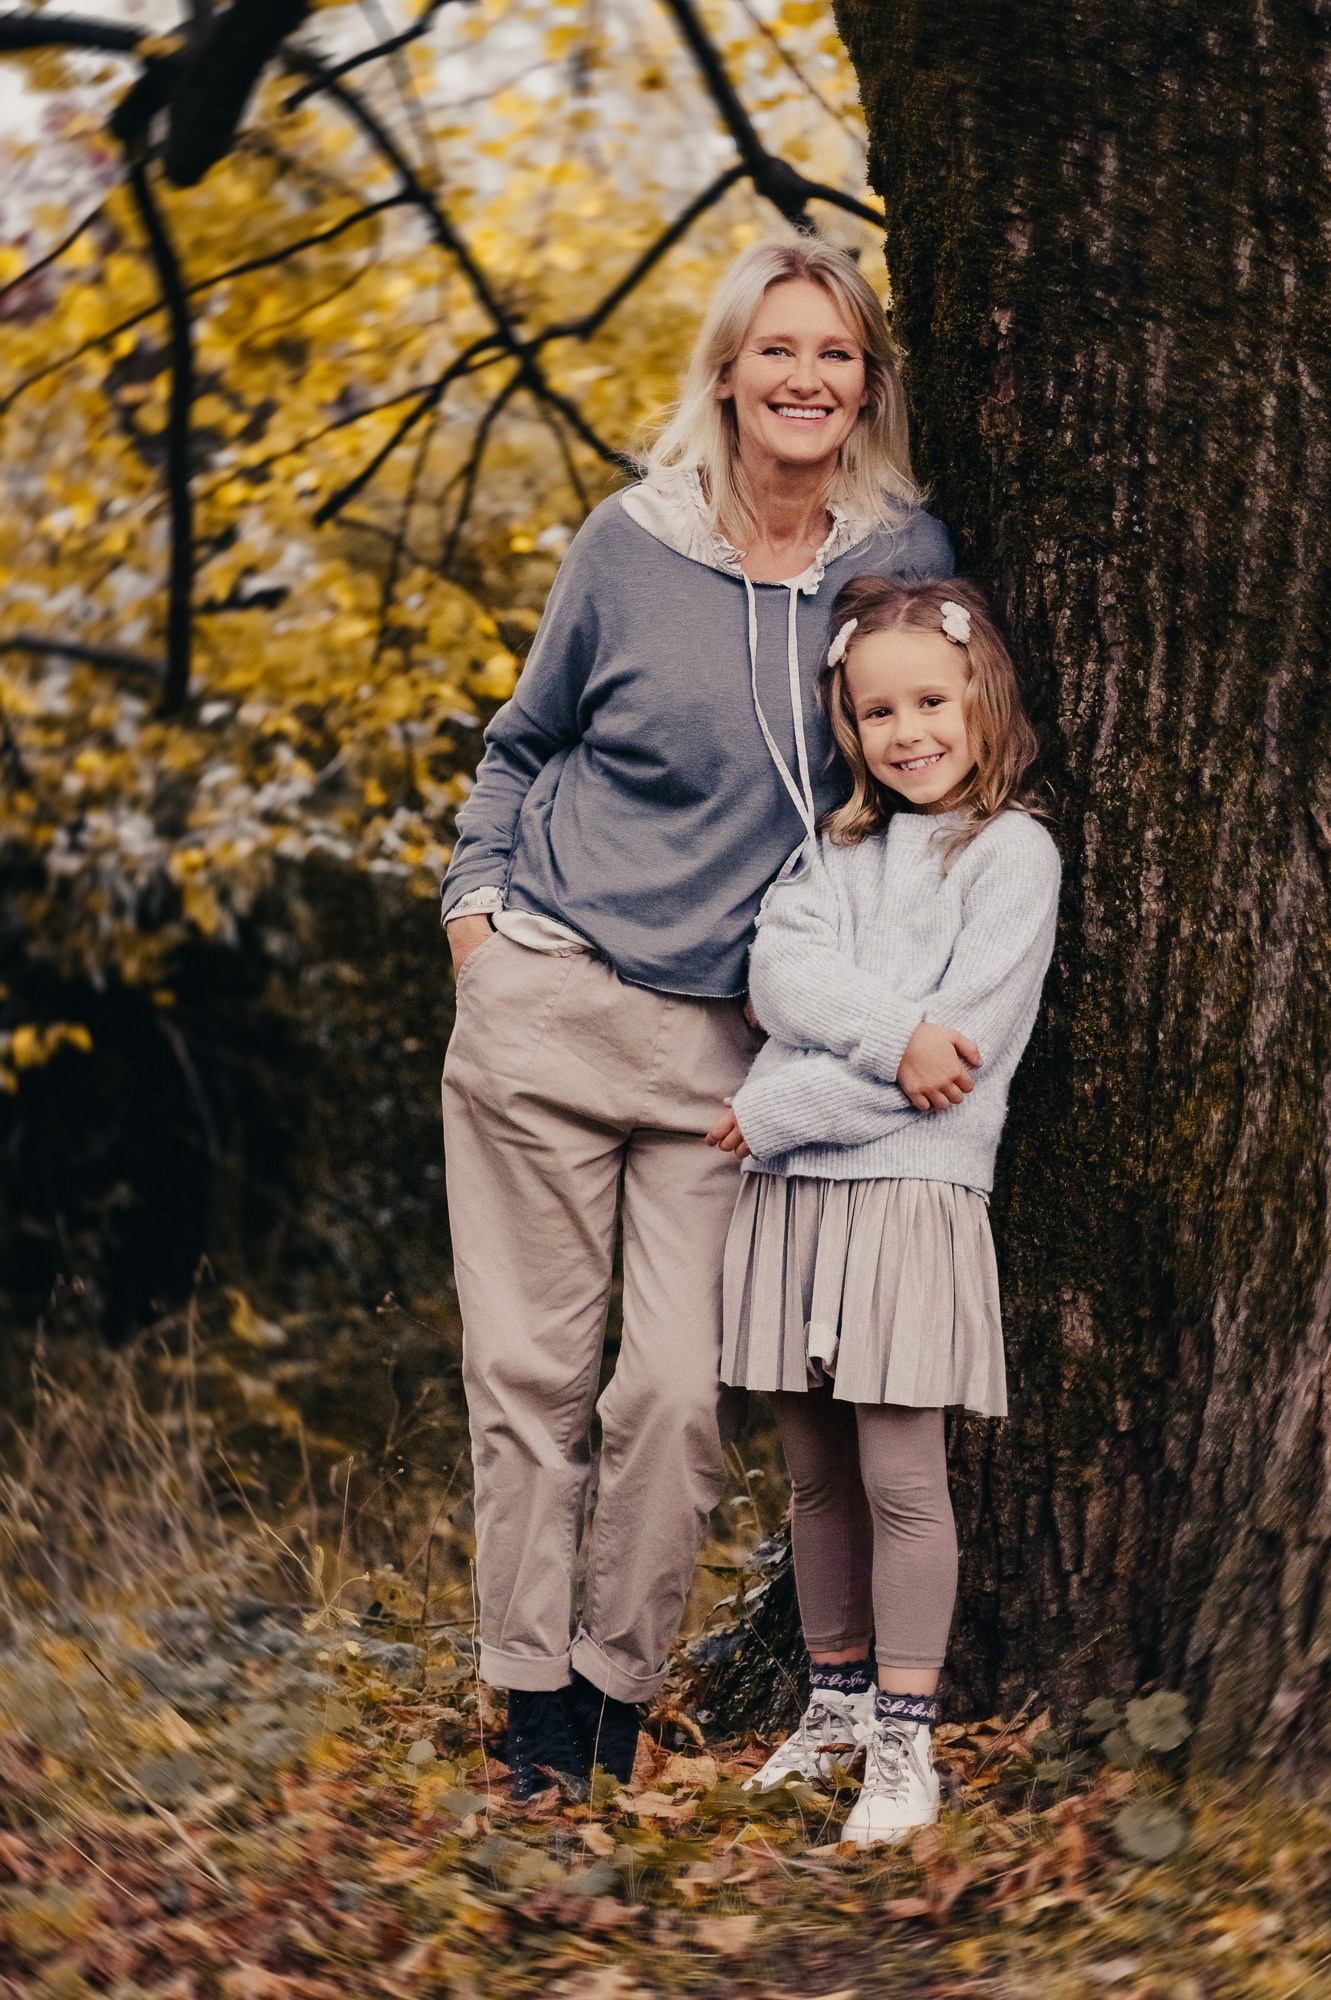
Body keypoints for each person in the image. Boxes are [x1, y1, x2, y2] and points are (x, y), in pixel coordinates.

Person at [440, 239, 955, 1799]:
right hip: (544, 997)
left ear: (865, 383)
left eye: (835, 353)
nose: (804, 378)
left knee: (670, 1396)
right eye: (774, 349)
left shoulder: (898, 558)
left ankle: (615, 1687)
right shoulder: (627, 543)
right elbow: (521, 743)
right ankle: (534, 1720)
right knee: (530, 1385)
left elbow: (939, 750)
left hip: (729, 1053)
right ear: (725, 374)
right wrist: (472, 920)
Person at [707, 574, 1060, 1844]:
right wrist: (891, 1035)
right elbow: (777, 974)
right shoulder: (833, 851)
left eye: (929, 701)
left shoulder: (1010, 854)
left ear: (980, 697)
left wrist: (783, 1103)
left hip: (909, 1195)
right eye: (875, 711)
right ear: (845, 727)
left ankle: (904, 1743)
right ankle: (834, 1703)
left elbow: (955, 1067)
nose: (905, 731)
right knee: (813, 1477)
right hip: (795, 1202)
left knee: (901, 1475)